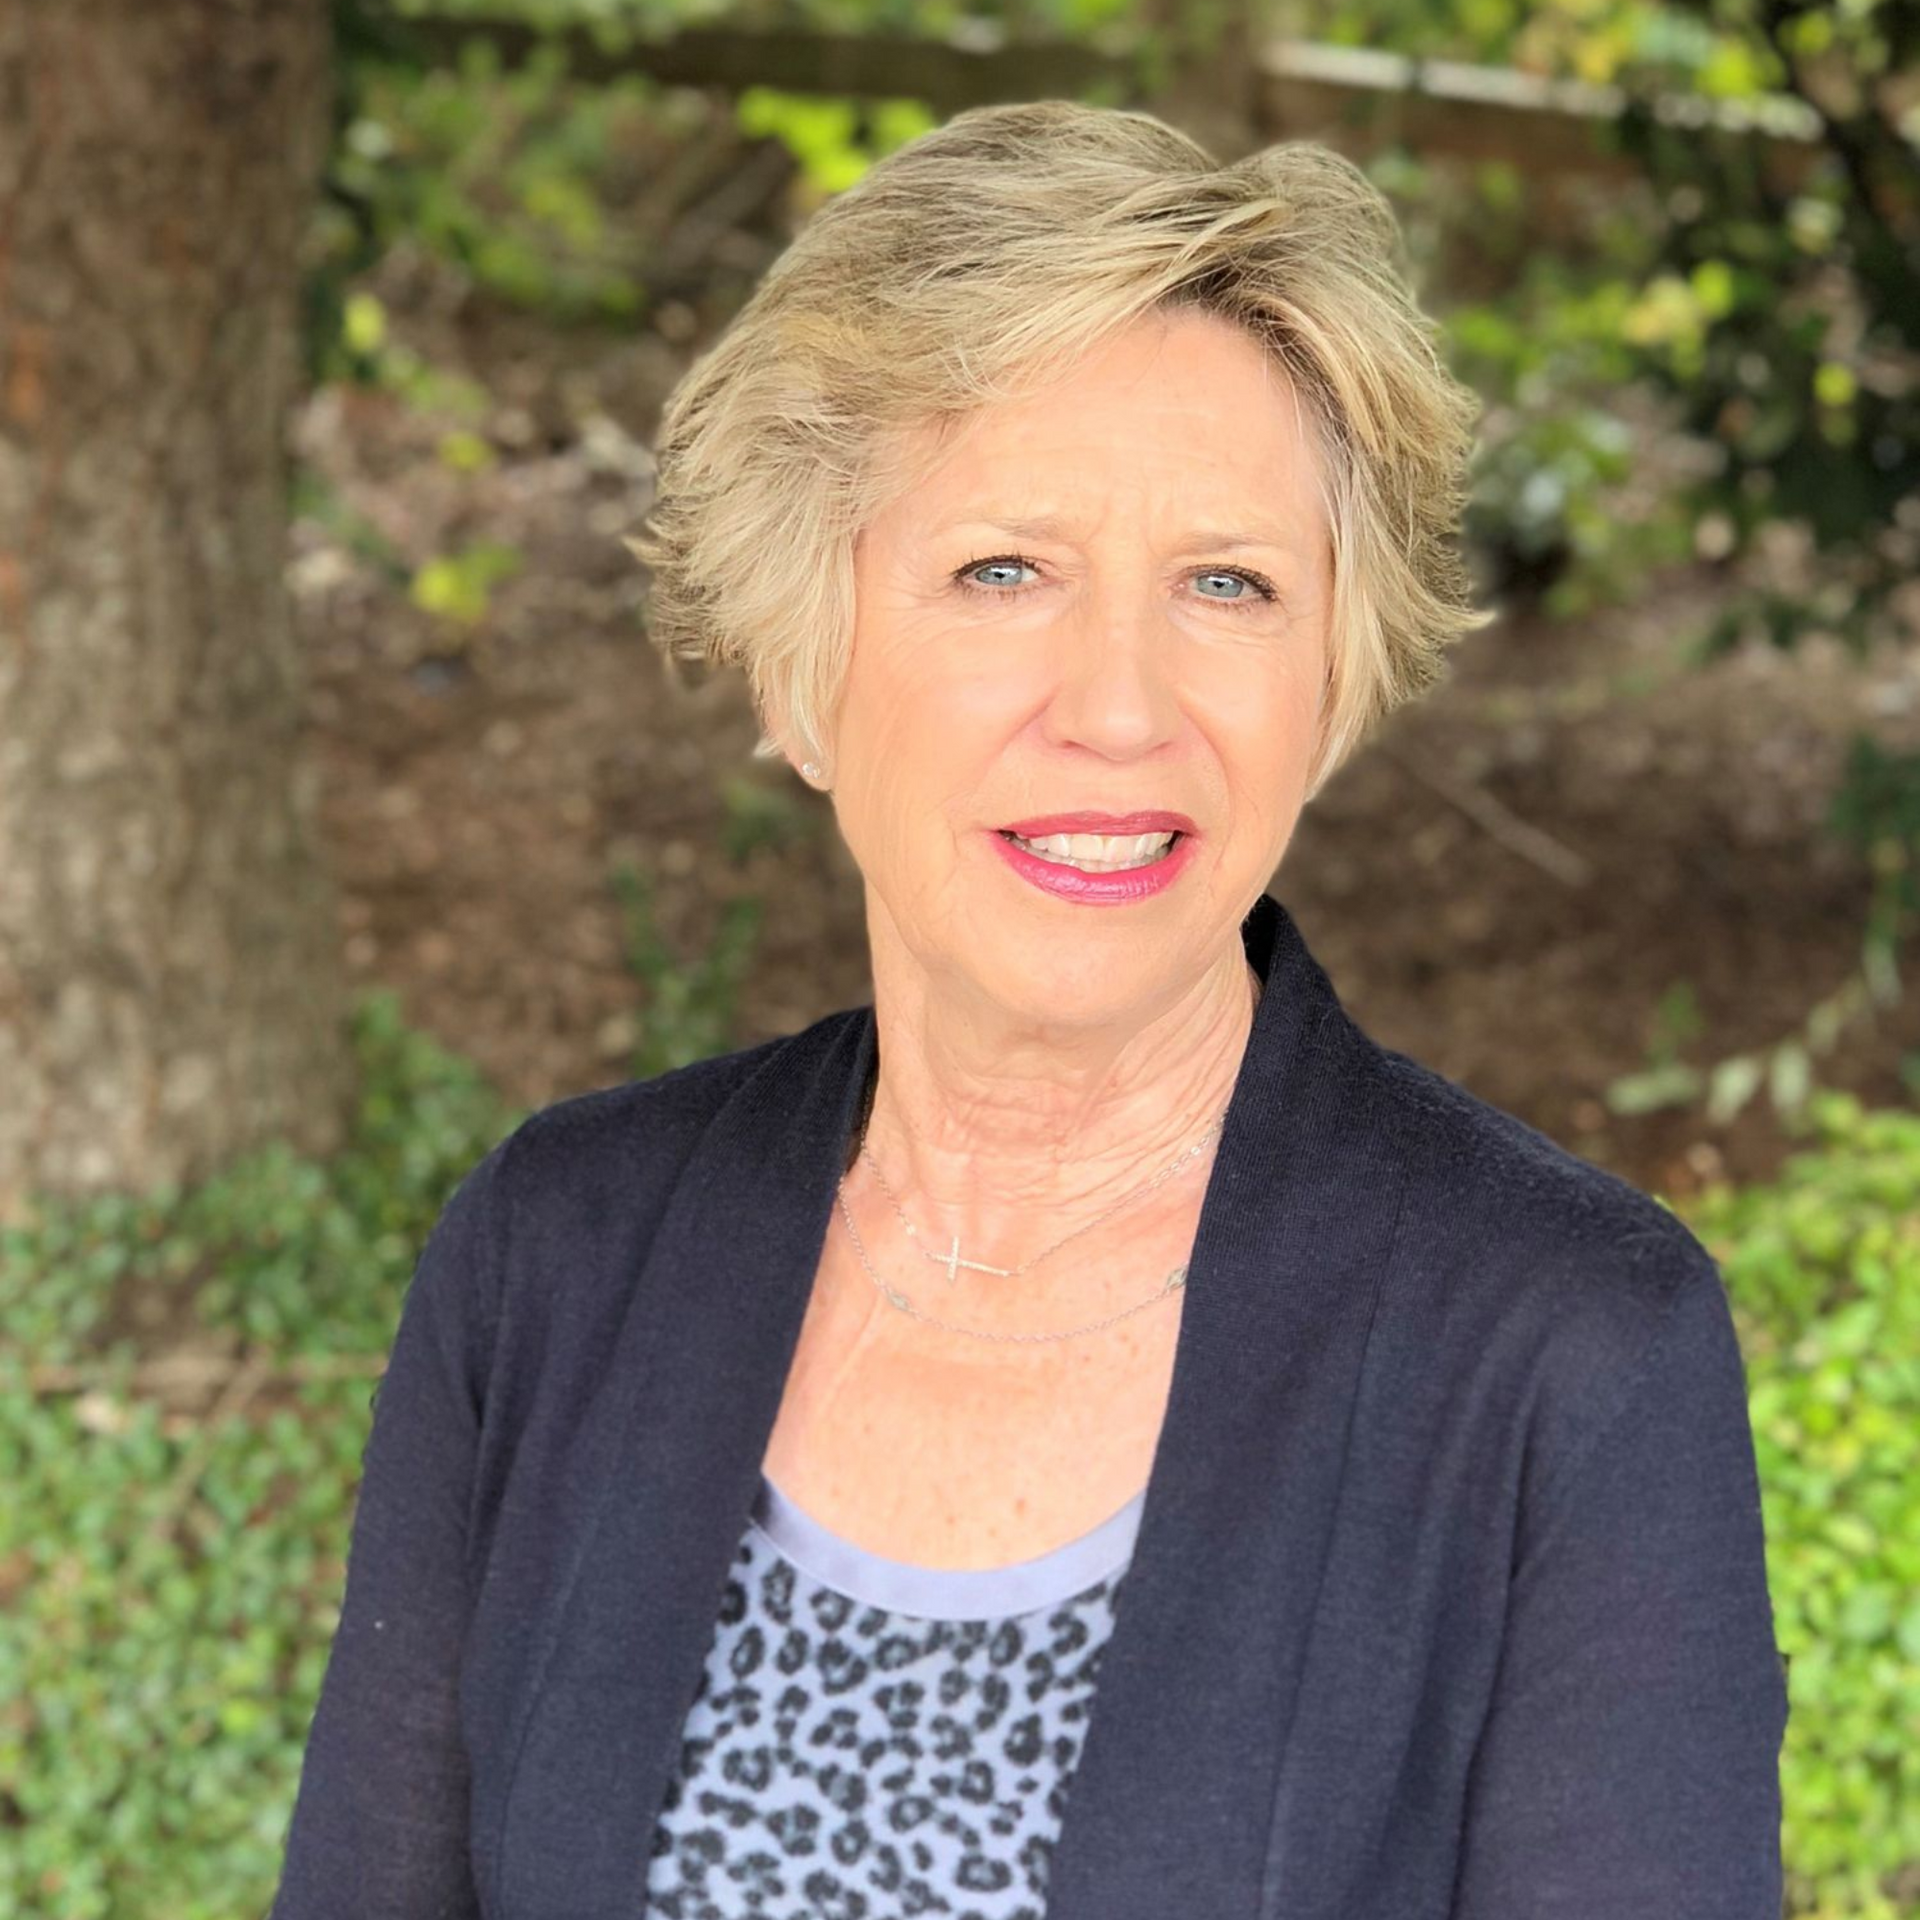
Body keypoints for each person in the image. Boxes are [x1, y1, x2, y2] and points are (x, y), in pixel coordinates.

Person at [268, 100, 1788, 1920]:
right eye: (1005, 570)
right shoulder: (554, 1260)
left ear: (1328, 679)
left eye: (1226, 582)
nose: (1120, 708)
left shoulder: (1572, 1359)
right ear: (798, 664)